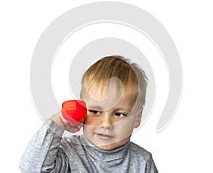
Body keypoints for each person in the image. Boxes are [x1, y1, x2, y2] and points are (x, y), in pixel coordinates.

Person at [20, 55, 158, 173]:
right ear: (83, 110)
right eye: (96, 111)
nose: (106, 124)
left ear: (137, 118)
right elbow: (32, 169)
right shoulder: (68, 151)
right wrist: (59, 122)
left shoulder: (143, 162)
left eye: (119, 114)